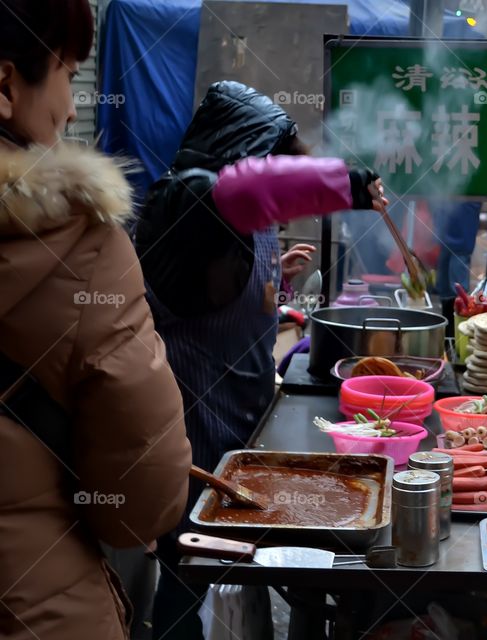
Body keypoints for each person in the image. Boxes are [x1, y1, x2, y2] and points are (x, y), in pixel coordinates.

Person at [135, 81, 387, 639]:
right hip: (192, 434)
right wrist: (343, 183)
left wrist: (278, 279)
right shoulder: (189, 207)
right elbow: (231, 196)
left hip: (244, 420)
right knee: (189, 575)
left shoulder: (244, 225)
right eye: (277, 164)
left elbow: (237, 291)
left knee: (234, 574)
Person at [0, 2, 192, 639]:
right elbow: (141, 501)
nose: (73, 106)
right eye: (65, 72)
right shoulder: (77, 247)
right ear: (6, 86)